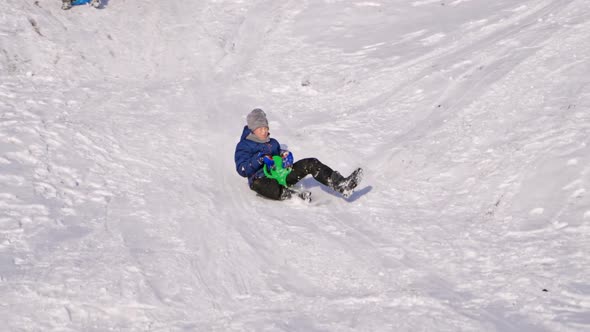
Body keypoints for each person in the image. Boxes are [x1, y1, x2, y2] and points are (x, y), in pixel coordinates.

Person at [234, 108, 362, 201]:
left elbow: (278, 154)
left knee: (311, 163)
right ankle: (292, 195)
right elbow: (242, 169)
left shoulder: (272, 143)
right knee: (259, 184)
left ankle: (341, 185)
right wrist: (260, 159)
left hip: (281, 175)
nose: (264, 131)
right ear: (253, 130)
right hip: (263, 180)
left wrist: (286, 156)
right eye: (260, 128)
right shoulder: (244, 145)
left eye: (266, 128)